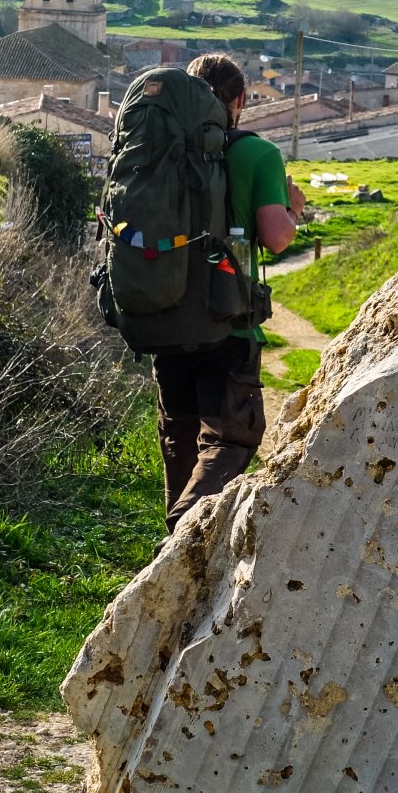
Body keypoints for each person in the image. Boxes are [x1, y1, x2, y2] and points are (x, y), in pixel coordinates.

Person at [154, 53, 306, 533]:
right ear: (240, 100)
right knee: (231, 436)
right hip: (226, 317)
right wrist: (293, 208)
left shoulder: (158, 148)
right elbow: (277, 237)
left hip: (161, 309)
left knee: (178, 430)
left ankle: (172, 540)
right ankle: (186, 530)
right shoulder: (258, 155)